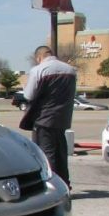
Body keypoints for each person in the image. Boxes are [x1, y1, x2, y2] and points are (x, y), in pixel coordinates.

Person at [20, 45, 77, 189]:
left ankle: (52, 186)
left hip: (44, 118)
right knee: (61, 153)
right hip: (63, 118)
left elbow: (29, 95)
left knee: (46, 153)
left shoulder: (38, 70)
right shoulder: (70, 70)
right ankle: (65, 184)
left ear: (39, 57)